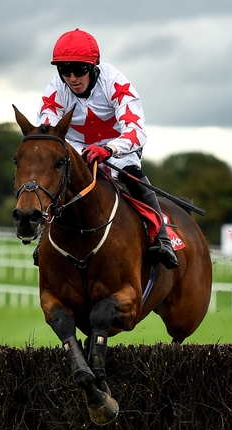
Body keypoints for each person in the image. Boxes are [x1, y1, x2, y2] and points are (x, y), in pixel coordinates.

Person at [34, 28, 178, 270]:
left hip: (118, 148)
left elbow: (137, 131)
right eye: (64, 71)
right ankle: (44, 239)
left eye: (79, 70)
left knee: (131, 176)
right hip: (76, 150)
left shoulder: (115, 82)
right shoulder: (55, 88)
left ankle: (162, 239)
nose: (72, 78)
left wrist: (110, 149)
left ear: (93, 67)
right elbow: (48, 130)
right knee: (58, 179)